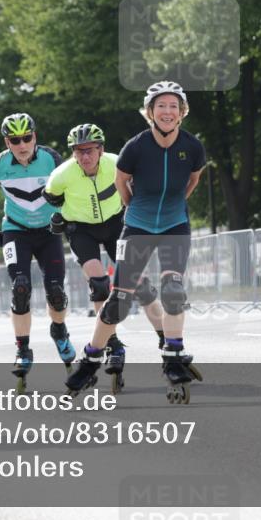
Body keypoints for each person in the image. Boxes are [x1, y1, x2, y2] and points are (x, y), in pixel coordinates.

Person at [65, 82, 206, 403]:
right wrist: (138, 210)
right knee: (117, 302)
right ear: (150, 112)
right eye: (161, 106)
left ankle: (172, 355)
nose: (167, 111)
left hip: (175, 225)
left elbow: (193, 179)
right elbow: (120, 183)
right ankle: (90, 359)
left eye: (173, 106)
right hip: (138, 226)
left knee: (173, 289)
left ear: (181, 112)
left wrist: (174, 207)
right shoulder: (136, 146)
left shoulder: (193, 146)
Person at [43, 123, 166, 393]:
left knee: (141, 285)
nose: (84, 157)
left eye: (89, 150)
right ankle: (112, 343)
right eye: (78, 152)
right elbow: (50, 196)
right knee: (99, 283)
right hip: (81, 230)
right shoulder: (61, 174)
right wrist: (60, 216)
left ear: (101, 149)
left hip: (115, 224)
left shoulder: (117, 163)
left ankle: (165, 340)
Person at [0, 112, 70, 391]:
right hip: (16, 230)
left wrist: (66, 219)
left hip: (48, 232)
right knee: (20, 288)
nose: (22, 145)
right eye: (15, 140)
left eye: (27, 138)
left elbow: (69, 188)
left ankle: (59, 330)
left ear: (35, 137)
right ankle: (23, 349)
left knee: (56, 291)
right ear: (7, 142)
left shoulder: (51, 158)